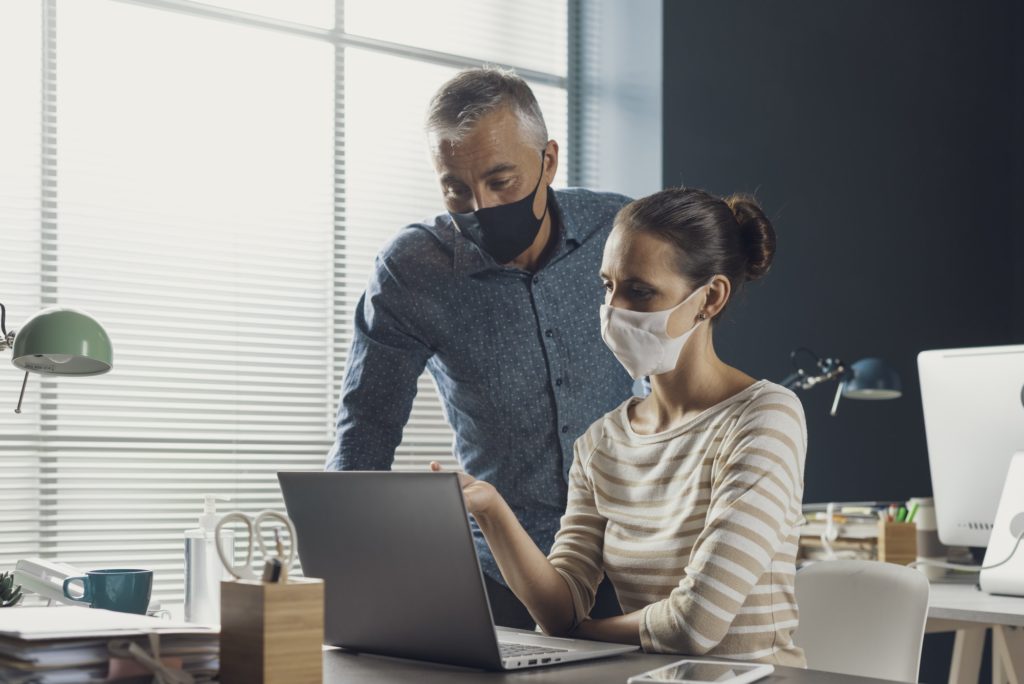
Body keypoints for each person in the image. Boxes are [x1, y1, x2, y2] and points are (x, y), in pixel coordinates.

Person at [433, 187, 808, 665]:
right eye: (608, 286)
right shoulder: (602, 443)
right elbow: (561, 607)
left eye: (640, 290)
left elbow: (697, 624)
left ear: (709, 298)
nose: (614, 310)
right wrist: (488, 508)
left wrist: (581, 635)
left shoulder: (765, 417)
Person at [326, 67, 634, 628]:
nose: (482, 205)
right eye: (457, 189)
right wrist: (342, 576)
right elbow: (366, 425)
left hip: (634, 562)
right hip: (499, 578)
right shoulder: (413, 269)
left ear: (549, 161)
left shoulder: (619, 230)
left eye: (501, 181)